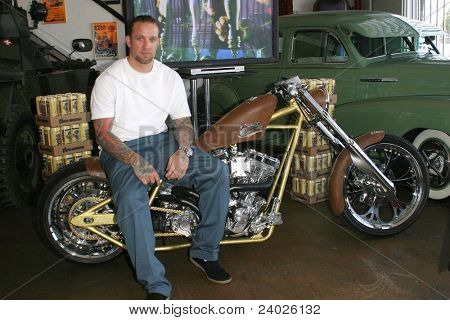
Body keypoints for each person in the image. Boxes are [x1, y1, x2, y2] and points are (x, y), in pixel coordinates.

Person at [90, 15, 231, 300]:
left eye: (152, 39)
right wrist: (134, 160)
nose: (146, 45)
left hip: (161, 141)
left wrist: (183, 152)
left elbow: (182, 123)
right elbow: (103, 134)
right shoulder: (109, 79)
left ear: (158, 42)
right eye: (139, 38)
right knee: (131, 199)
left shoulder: (169, 77)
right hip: (121, 147)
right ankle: (155, 284)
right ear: (129, 41)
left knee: (216, 172)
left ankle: (204, 252)